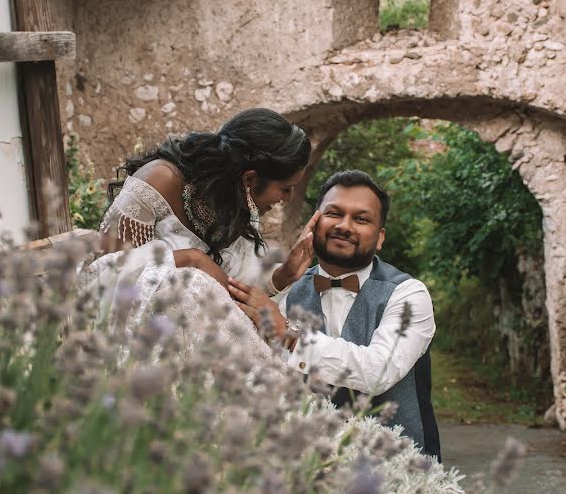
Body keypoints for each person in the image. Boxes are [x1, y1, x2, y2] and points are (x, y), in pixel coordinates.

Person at [229, 170, 441, 460]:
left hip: (398, 471)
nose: (344, 225)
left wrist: (291, 337)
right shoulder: (285, 286)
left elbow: (377, 371)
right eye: (333, 213)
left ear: (380, 238)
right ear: (314, 222)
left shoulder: (408, 294)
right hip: (304, 469)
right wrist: (281, 281)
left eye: (361, 219)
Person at [79, 108, 318, 361]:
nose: (288, 198)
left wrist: (283, 276)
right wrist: (189, 259)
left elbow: (227, 286)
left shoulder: (239, 201)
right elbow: (104, 276)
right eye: (286, 189)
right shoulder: (159, 180)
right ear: (250, 178)